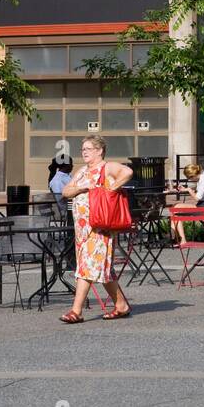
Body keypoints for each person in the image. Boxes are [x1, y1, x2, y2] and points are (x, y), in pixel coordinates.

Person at [58, 137, 134, 324]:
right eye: (83, 149)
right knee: (102, 269)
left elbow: (128, 171)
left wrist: (110, 188)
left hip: (100, 227)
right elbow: (66, 192)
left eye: (89, 149)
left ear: (100, 151)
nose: (84, 152)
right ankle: (121, 305)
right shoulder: (82, 171)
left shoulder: (106, 167)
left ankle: (76, 311)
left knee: (86, 266)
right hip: (82, 230)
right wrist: (82, 187)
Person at [173, 163, 204, 245]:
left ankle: (179, 238)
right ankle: (175, 235)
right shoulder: (203, 176)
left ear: (193, 175)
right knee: (175, 208)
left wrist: (189, 190)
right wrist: (186, 189)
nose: (189, 180)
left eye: (189, 178)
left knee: (176, 209)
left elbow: (197, 198)